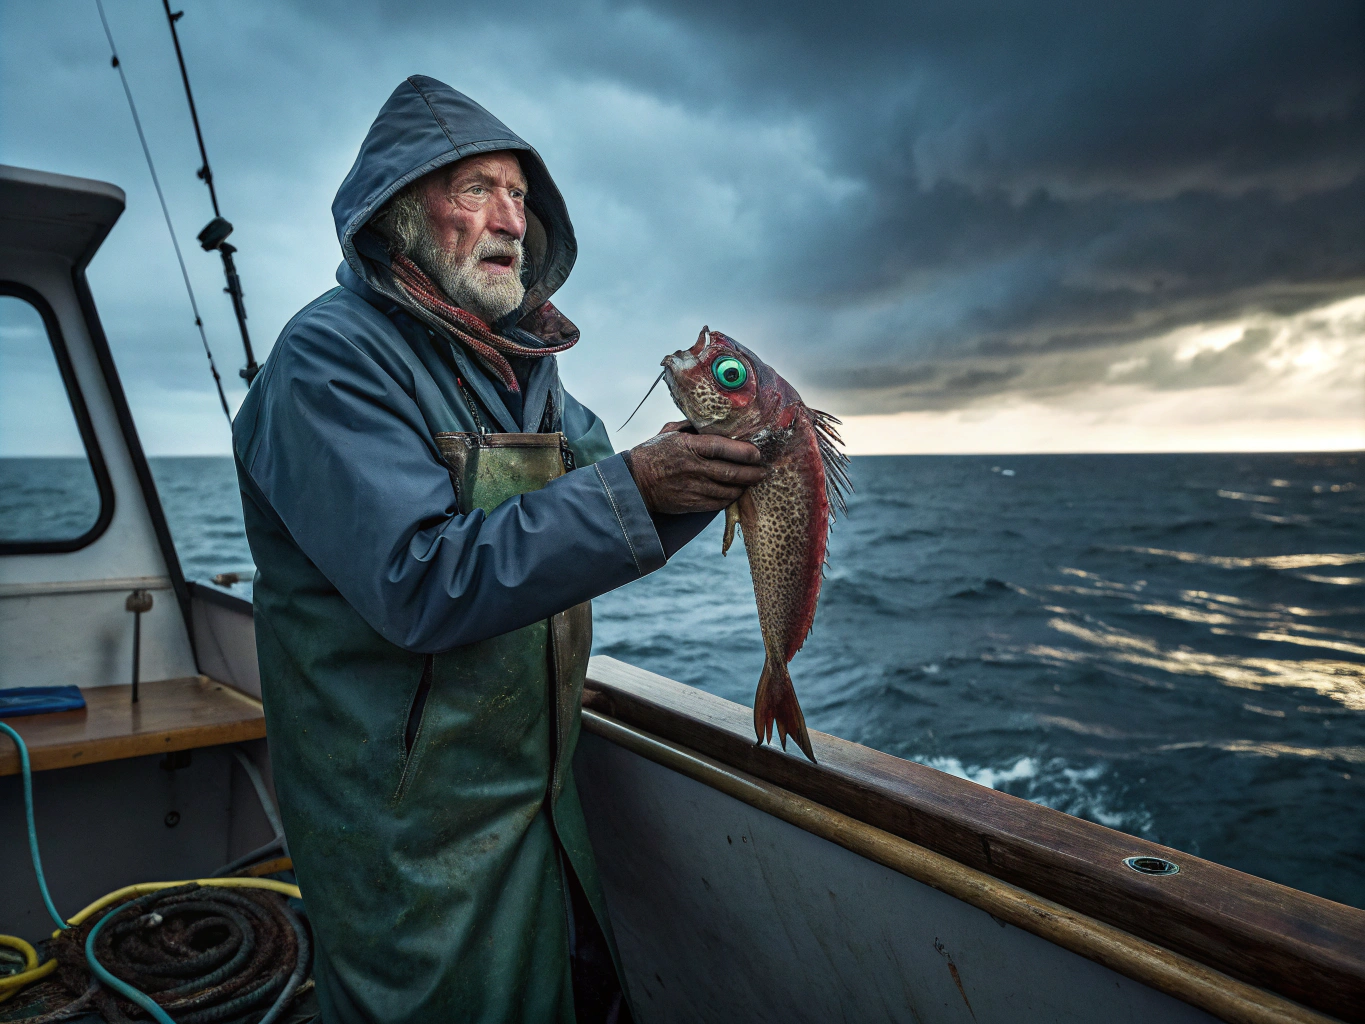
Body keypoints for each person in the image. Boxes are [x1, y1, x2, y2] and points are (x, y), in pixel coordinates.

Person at [231, 76, 765, 1023]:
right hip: (403, 826)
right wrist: (638, 486)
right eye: (476, 188)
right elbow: (421, 581)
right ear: (400, 211)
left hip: (537, 801)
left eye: (521, 196)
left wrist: (725, 465)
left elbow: (621, 505)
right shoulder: (328, 361)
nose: (510, 219)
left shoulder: (528, 377)